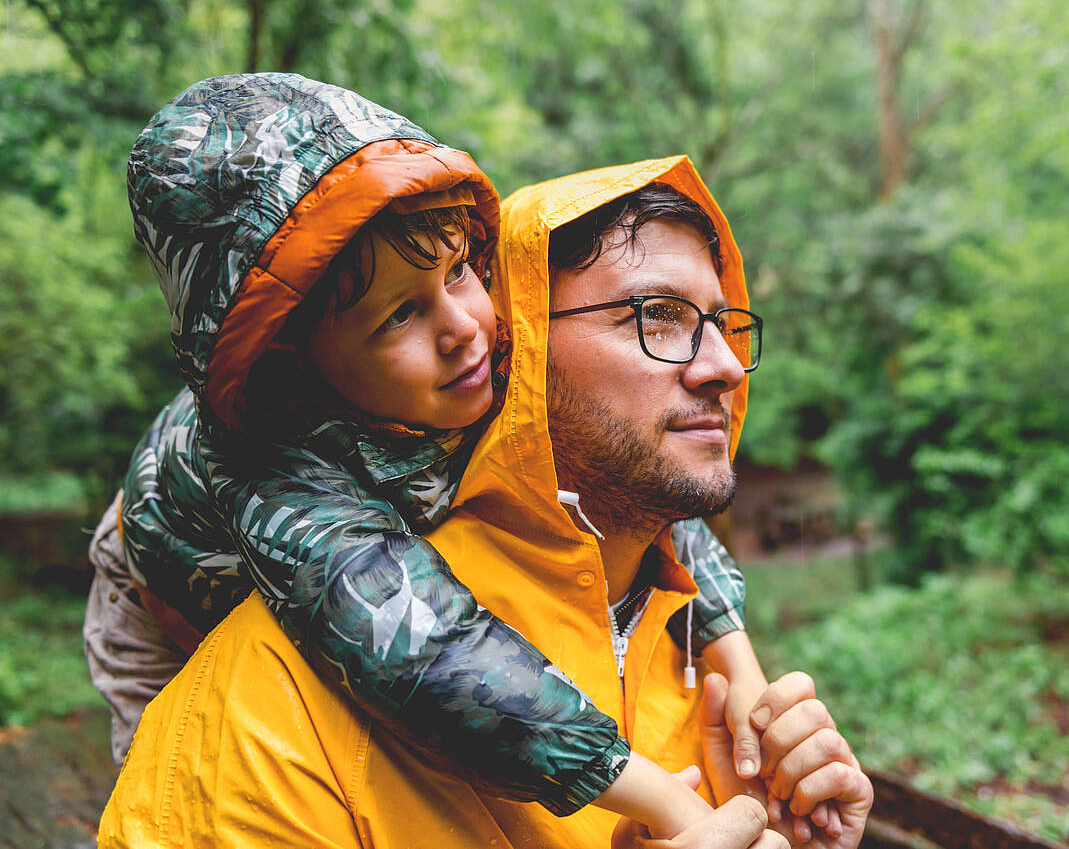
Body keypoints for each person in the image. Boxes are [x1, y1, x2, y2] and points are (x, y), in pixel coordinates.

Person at [98, 155, 874, 848]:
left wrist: (741, 676)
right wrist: (677, 809)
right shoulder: (286, 516)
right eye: (654, 317)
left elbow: (678, 533)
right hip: (171, 581)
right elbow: (422, 646)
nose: (726, 368)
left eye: (719, 322)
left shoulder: (653, 593)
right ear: (533, 347)